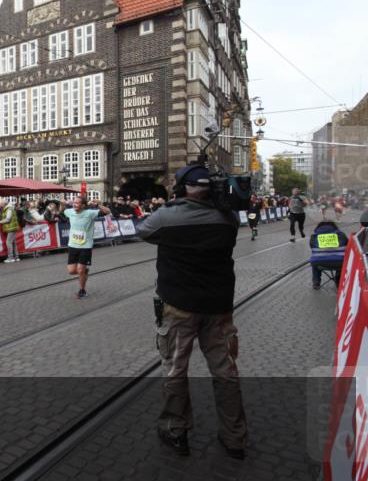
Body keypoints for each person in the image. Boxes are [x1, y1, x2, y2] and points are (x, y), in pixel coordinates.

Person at [136, 163, 246, 460]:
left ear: (183, 188)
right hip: (219, 306)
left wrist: (171, 206)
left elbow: (142, 230)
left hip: (178, 305)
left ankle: (176, 430)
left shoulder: (167, 217)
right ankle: (234, 438)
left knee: (175, 368)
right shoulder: (228, 218)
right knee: (225, 371)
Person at [63, 194, 111, 298]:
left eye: (77, 203)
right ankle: (84, 271)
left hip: (86, 246)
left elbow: (107, 212)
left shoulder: (90, 213)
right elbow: (62, 210)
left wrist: (97, 204)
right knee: (71, 271)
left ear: (83, 205)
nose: (74, 205)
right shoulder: (69, 212)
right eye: (74, 203)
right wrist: (62, 203)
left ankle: (82, 290)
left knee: (80, 269)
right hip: (72, 245)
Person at [308, 213, 348, 289]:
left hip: (319, 263)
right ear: (334, 226)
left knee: (315, 261)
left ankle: (316, 283)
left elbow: (311, 246)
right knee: (342, 260)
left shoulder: (314, 236)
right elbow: (347, 245)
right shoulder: (341, 234)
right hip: (339, 263)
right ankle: (338, 282)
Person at [0, 198, 21, 263]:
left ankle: (10, 258)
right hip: (12, 227)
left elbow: (8, 219)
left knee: (8, 242)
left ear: (4, 203)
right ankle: (16, 257)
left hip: (11, 227)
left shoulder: (8, 209)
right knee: (13, 242)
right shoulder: (8, 208)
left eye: (0, 203)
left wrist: (0, 222)